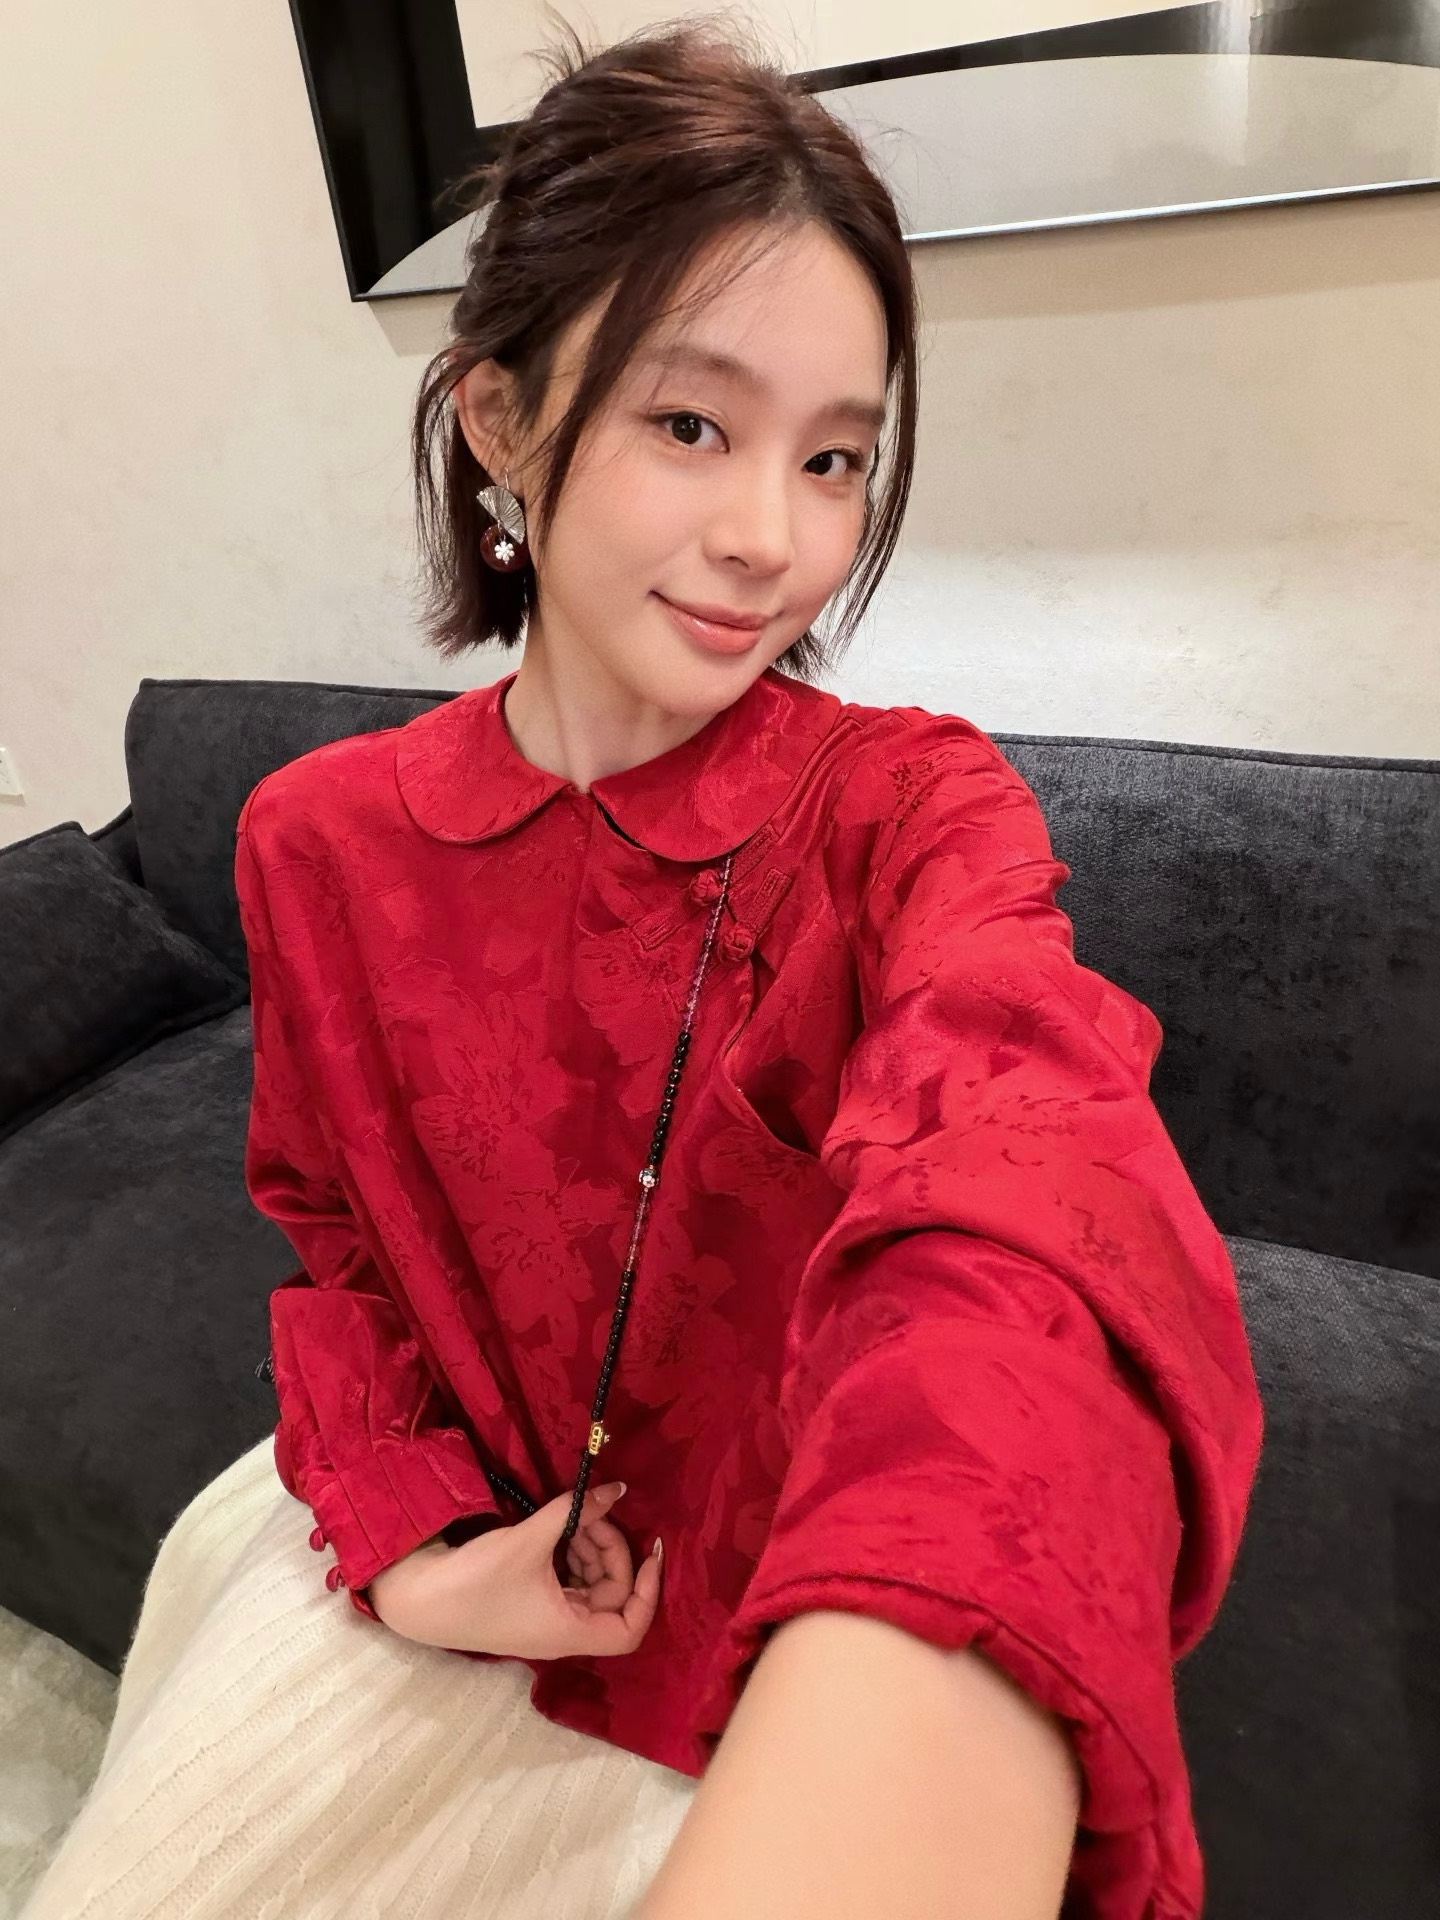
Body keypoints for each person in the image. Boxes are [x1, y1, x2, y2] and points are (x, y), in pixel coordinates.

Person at [21, 17, 1262, 1920]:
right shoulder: (318, 843)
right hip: (442, 1587)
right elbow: (340, 1241)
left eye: (835, 458)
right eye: (693, 425)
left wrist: (913, 1656)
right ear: (502, 420)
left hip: (782, 1659)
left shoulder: (909, 814)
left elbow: (1024, 1178)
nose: (774, 540)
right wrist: (428, 1554)